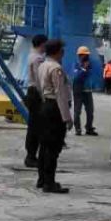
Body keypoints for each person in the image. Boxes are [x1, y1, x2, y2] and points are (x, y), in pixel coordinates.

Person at [36, 39, 72, 193]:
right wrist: (67, 117)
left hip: (45, 106)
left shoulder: (42, 65)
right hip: (54, 109)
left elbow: (38, 87)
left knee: (44, 146)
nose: (63, 53)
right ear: (57, 52)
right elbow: (61, 94)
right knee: (53, 147)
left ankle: (42, 178)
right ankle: (49, 183)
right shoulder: (57, 68)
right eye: (62, 50)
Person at [23, 34, 48, 168]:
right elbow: (40, 80)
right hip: (36, 93)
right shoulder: (38, 59)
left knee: (33, 126)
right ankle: (31, 156)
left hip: (31, 92)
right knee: (35, 127)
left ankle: (31, 155)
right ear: (42, 44)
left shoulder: (30, 55)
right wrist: (45, 96)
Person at [71, 45, 98, 136]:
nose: (86, 57)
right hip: (78, 91)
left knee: (90, 111)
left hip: (87, 91)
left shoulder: (90, 64)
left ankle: (89, 128)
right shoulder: (76, 64)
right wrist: (83, 69)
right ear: (79, 55)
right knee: (77, 111)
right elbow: (77, 77)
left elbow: (92, 75)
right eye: (83, 55)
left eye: (87, 55)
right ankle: (78, 129)